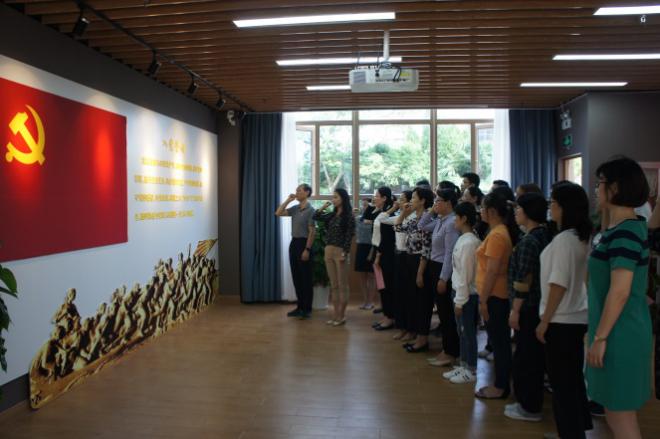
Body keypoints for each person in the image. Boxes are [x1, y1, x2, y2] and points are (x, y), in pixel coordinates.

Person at [587, 157, 652, 439]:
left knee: (621, 416)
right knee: (614, 413)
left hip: (619, 334)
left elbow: (620, 291)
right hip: (613, 329)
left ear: (614, 188)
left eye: (599, 183)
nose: (595, 190)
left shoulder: (626, 232)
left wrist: (600, 338)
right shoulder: (619, 229)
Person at [536, 182, 593, 439]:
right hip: (577, 316)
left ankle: (570, 432)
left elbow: (558, 284)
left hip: (561, 319)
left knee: (563, 384)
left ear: (564, 207)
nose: (551, 207)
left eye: (554, 203)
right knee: (572, 379)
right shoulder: (581, 237)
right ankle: (576, 430)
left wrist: (544, 321)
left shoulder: (563, 241)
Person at [504, 193, 551, 422]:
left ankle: (529, 407)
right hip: (538, 305)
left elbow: (524, 279)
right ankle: (528, 402)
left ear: (528, 212)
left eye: (519, 209)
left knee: (527, 358)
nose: (515, 213)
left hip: (528, 307)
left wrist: (515, 310)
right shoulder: (543, 235)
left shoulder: (530, 241)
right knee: (531, 356)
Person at [475, 192, 517, 399]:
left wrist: (483, 300)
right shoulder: (496, 232)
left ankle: (500, 386)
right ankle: (500, 383)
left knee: (500, 343)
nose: (480, 211)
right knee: (499, 341)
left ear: (491, 211)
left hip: (495, 296)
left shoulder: (498, 235)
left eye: (483, 208)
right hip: (493, 295)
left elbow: (492, 271)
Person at [443, 202, 481, 384]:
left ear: (464, 219)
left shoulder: (470, 243)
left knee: (468, 332)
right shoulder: (463, 239)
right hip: (459, 291)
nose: (454, 221)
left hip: (466, 295)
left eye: (456, 218)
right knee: (462, 331)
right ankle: (464, 364)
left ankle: (471, 368)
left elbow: (466, 275)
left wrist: (460, 301)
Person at [422, 189, 460, 367]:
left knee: (446, 314)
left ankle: (451, 352)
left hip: (443, 269)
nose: (435, 204)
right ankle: (446, 349)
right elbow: (422, 225)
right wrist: (432, 210)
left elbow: (449, 253)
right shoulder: (440, 220)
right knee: (443, 312)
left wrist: (444, 278)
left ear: (449, 203)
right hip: (434, 266)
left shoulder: (451, 223)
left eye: (438, 201)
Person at [394, 186, 435, 351]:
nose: (411, 201)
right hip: (410, 260)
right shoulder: (413, 219)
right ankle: (415, 333)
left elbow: (426, 249)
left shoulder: (427, 219)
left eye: (413, 198)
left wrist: (420, 272)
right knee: (413, 299)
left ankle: (422, 338)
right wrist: (403, 213)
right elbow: (397, 227)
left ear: (423, 201)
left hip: (421, 263)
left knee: (422, 302)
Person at [314, 188, 355, 326]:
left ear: (343, 199)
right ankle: (336, 314)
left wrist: (345, 252)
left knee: (342, 285)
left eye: (336, 197)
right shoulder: (331, 215)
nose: (333, 199)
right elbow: (316, 216)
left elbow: (349, 236)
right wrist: (324, 206)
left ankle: (342, 316)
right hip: (328, 250)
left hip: (340, 251)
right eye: (333, 197)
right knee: (334, 284)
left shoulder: (349, 216)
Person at [275, 184, 316, 319]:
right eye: (296, 190)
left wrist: (307, 249)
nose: (296, 192)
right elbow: (278, 213)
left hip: (304, 244)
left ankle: (307, 309)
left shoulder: (311, 210)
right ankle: (300, 307)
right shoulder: (295, 209)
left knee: (306, 278)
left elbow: (312, 232)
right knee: (296, 277)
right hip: (294, 243)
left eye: (299, 190)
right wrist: (288, 200)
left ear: (307, 192)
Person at [386, 191, 414, 341]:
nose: (399, 202)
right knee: (399, 294)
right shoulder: (400, 216)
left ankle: (410, 329)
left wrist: (404, 213)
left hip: (407, 256)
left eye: (402, 199)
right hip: (398, 255)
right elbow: (383, 219)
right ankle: (402, 327)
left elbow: (398, 227)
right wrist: (400, 212)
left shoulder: (414, 218)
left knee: (408, 295)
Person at [371, 187, 397, 330]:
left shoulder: (389, 214)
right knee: (382, 287)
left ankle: (390, 318)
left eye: (377, 196)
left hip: (385, 255)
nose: (374, 198)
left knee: (387, 287)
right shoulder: (381, 211)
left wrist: (378, 256)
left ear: (384, 198)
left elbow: (386, 239)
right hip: (378, 253)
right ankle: (386, 315)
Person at [354, 201, 378, 311]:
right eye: (363, 205)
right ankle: (365, 300)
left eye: (366, 205)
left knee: (371, 275)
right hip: (360, 247)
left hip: (372, 247)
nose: (364, 207)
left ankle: (371, 301)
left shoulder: (376, 219)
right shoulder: (358, 218)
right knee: (362, 275)